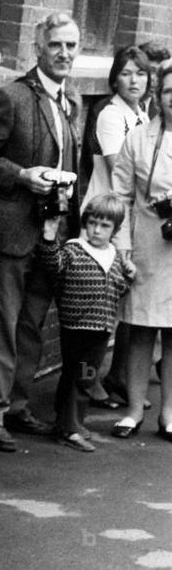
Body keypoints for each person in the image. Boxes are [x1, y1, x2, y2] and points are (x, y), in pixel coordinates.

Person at [0, 11, 81, 452]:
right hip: (9, 233)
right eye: (56, 45)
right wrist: (22, 176)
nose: (64, 53)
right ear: (38, 49)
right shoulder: (10, 97)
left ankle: (16, 406)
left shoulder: (71, 100)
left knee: (31, 326)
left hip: (51, 235)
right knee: (1, 327)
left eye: (71, 46)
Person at [80, 47, 151, 408]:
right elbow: (120, 170)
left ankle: (119, 377)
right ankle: (89, 383)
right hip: (105, 217)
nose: (134, 80)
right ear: (114, 79)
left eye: (140, 73)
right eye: (126, 73)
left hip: (130, 217)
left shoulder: (142, 114)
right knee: (100, 308)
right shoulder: (111, 114)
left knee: (127, 303)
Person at [37, 193, 135, 451]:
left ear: (115, 230)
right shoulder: (73, 249)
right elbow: (53, 265)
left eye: (104, 226)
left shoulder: (114, 255)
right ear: (85, 222)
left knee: (85, 378)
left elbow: (119, 287)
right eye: (92, 223)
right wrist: (49, 237)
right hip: (76, 327)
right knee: (77, 377)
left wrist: (128, 276)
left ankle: (69, 423)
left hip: (101, 329)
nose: (97, 230)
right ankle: (69, 429)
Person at [109, 59, 172, 440]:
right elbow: (120, 195)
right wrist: (124, 247)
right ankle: (133, 411)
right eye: (168, 91)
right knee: (141, 329)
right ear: (158, 95)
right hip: (148, 244)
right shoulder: (138, 138)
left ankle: (169, 413)